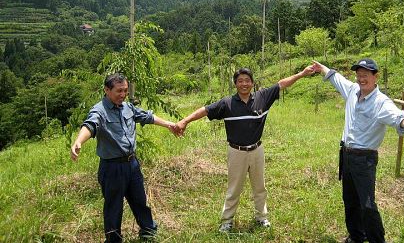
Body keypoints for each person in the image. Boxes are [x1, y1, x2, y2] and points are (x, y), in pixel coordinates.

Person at [175, 65, 315, 232]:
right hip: (236, 152)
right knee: (234, 189)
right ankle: (227, 221)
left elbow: (281, 84)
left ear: (253, 83)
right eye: (240, 81)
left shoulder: (262, 97)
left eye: (247, 81)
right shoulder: (227, 103)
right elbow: (205, 110)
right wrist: (184, 121)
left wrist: (302, 74)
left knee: (260, 187)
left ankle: (261, 217)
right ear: (235, 84)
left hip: (257, 150)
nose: (244, 84)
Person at [312, 58, 404, 243]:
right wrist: (322, 69)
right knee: (350, 200)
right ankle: (356, 236)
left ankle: (377, 240)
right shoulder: (352, 90)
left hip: (364, 159)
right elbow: (337, 79)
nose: (361, 79)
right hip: (346, 154)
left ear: (375, 77)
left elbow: (395, 115)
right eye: (359, 75)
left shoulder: (380, 102)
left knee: (367, 204)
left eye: (366, 75)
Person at [70, 73, 178, 242]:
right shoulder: (100, 110)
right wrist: (78, 141)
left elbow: (147, 116)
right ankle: (114, 239)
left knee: (140, 201)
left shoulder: (127, 107)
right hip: (112, 168)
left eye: (125, 91)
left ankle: (148, 232)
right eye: (119, 91)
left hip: (132, 164)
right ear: (107, 90)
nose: (123, 95)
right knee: (114, 206)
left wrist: (169, 125)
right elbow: (90, 125)